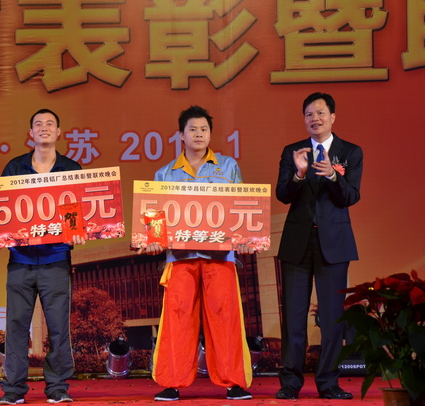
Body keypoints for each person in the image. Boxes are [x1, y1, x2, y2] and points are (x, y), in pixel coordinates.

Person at [140, 105, 254, 402]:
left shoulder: (228, 167)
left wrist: (245, 238)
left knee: (225, 318)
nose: (199, 134)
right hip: (180, 259)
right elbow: (155, 216)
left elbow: (242, 208)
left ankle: (233, 382)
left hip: (220, 257)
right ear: (181, 135)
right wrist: (154, 241)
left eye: (204, 129)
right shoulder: (165, 173)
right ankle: (172, 382)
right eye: (192, 129)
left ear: (210, 134)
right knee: (177, 319)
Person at [0, 109, 85, 405]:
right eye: (38, 124)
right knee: (16, 326)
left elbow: (77, 213)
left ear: (59, 132)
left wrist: (78, 231)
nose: (44, 128)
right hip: (21, 261)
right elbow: (2, 210)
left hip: (56, 259)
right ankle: (13, 390)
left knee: (58, 327)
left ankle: (57, 387)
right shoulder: (14, 168)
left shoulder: (71, 168)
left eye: (50, 124)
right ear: (30, 133)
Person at [275, 92, 363, 400]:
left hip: (334, 245)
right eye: (309, 114)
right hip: (297, 244)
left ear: (333, 117)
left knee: (332, 318)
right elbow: (283, 194)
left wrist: (333, 177)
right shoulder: (293, 152)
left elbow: (351, 196)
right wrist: (299, 174)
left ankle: (328, 383)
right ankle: (290, 382)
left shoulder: (350, 151)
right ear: (304, 119)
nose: (315, 119)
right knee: (294, 318)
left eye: (321, 113)